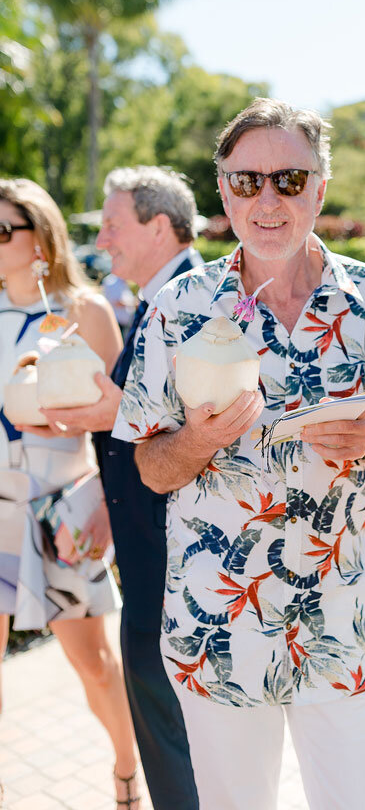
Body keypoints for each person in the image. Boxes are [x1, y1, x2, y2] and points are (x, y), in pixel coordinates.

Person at [111, 98, 365, 810]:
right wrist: (200, 439)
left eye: (290, 180)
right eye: (247, 182)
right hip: (219, 623)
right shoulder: (178, 306)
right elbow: (148, 466)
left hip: (340, 618)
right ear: (223, 194)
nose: (268, 199)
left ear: (322, 188)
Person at [37, 167, 202, 810]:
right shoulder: (161, 295)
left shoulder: (193, 296)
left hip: (172, 561)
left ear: (158, 226)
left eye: (113, 223)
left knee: (171, 730)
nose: (102, 238)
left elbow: (198, 420)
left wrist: (113, 413)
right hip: (144, 544)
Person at [0, 178, 142, 809]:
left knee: (91, 662)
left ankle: (126, 769)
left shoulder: (86, 311)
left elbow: (122, 426)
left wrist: (100, 503)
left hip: (65, 505)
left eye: (5, 230)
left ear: (40, 236)